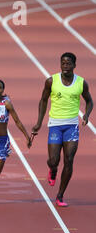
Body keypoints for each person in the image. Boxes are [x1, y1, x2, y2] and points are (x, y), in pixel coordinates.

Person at [31, 52, 93, 207]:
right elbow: (43, 100)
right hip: (55, 125)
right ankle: (53, 170)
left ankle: (60, 195)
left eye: (68, 63)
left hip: (71, 126)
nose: (65, 66)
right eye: (63, 63)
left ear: (74, 65)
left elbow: (90, 101)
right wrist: (39, 122)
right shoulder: (51, 81)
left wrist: (86, 115)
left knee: (69, 159)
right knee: (53, 161)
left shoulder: (81, 83)